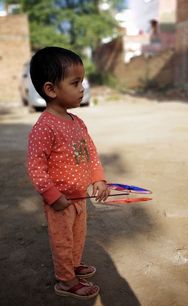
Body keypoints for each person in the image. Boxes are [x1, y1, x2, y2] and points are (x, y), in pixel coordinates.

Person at [27, 46, 110, 300]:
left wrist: (98, 178)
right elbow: (35, 168)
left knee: (77, 237)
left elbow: (91, 152)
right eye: (75, 83)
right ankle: (66, 280)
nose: (82, 88)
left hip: (79, 198)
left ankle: (72, 266)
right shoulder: (44, 127)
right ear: (51, 89)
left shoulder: (77, 122)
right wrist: (53, 195)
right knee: (63, 242)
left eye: (82, 82)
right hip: (60, 202)